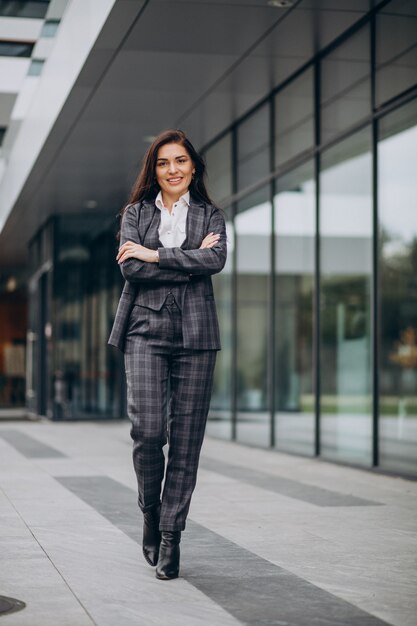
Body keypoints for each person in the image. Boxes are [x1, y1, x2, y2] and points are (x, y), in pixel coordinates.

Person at [108, 129, 227, 580]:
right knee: (148, 430)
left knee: (187, 443)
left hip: (197, 335)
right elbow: (129, 265)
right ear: (153, 170)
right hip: (144, 329)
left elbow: (215, 262)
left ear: (193, 167)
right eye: (163, 162)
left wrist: (157, 257)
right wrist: (187, 258)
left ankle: (172, 537)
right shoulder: (135, 213)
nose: (172, 169)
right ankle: (151, 511)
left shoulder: (212, 215)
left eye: (180, 161)